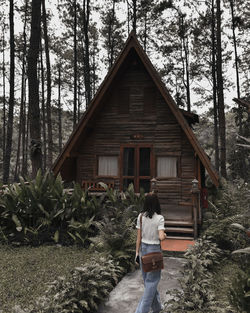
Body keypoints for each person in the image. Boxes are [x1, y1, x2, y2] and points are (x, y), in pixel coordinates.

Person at [135, 192, 166, 313]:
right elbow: (161, 237)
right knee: (152, 282)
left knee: (148, 281)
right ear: (156, 203)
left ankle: (157, 307)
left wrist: (136, 254)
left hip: (143, 250)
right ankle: (141, 311)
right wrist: (165, 234)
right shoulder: (160, 218)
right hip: (154, 252)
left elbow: (138, 238)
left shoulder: (140, 217)